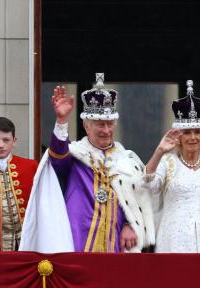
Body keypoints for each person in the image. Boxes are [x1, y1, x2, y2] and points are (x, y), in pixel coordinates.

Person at [20, 73, 154, 253]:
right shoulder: (75, 155)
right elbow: (58, 158)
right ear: (86, 126)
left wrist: (131, 224)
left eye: (110, 124)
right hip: (78, 239)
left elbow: (138, 198)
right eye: (100, 124)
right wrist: (61, 121)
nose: (106, 130)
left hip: (115, 242)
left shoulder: (128, 160)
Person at [143, 80, 200, 253]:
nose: (193, 137)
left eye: (197, 132)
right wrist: (159, 151)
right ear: (179, 136)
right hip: (173, 240)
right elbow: (149, 185)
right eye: (187, 132)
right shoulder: (168, 161)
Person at [0, 117, 38, 251]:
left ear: (14, 141)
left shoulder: (31, 166)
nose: (1, 145)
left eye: (6, 140)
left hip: (29, 238)